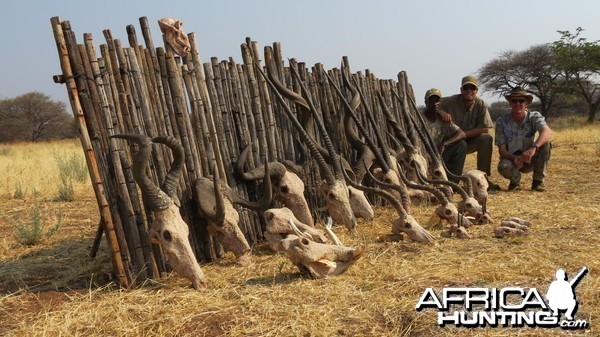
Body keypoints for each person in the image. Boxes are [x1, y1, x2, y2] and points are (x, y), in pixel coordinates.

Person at [439, 75, 500, 191]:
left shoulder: (481, 104)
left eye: (472, 88)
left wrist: (463, 134)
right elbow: (433, 105)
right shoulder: (450, 101)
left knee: (486, 139)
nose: (469, 91)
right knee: (461, 144)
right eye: (466, 88)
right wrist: (441, 112)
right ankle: (452, 180)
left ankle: (484, 179)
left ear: (477, 91)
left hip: (470, 140)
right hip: (453, 143)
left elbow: (485, 128)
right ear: (461, 90)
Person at [494, 87, 552, 191]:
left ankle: (537, 182)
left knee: (546, 144)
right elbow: (502, 151)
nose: (518, 103)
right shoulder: (501, 122)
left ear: (526, 103)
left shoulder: (534, 117)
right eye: (514, 101)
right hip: (512, 160)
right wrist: (514, 158)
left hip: (530, 158)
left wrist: (532, 149)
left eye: (521, 101)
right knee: (503, 167)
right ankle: (515, 182)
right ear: (510, 103)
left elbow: (547, 132)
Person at [422, 88, 467, 180]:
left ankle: (453, 183)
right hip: (423, 156)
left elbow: (462, 134)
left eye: (437, 100)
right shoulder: (418, 117)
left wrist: (444, 144)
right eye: (431, 100)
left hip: (438, 155)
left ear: (440, 102)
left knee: (462, 145)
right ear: (426, 102)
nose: (435, 103)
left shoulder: (443, 118)